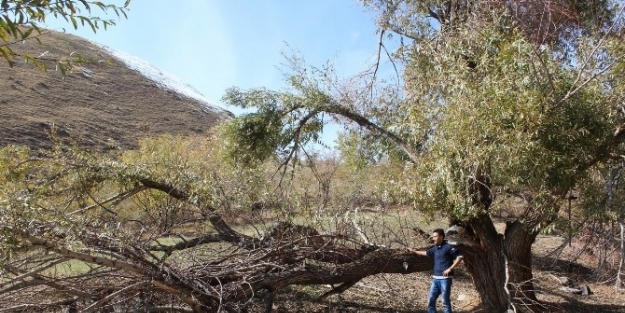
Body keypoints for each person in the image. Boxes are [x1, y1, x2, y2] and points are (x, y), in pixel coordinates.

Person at [409, 228, 463, 313]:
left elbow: (460, 257)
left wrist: (450, 268)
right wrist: (414, 251)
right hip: (435, 279)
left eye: (435, 236)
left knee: (445, 301)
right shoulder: (435, 248)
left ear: (441, 237)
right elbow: (426, 253)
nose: (433, 238)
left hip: (445, 279)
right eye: (433, 237)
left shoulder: (448, 247)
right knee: (431, 299)